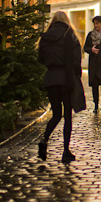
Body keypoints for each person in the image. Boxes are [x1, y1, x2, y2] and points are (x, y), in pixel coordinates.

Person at [37, 11, 82, 164]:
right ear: (66, 21)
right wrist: (77, 77)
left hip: (51, 79)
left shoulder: (45, 37)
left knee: (56, 114)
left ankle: (44, 140)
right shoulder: (69, 36)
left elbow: (40, 59)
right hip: (66, 79)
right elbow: (76, 61)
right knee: (67, 116)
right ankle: (65, 151)